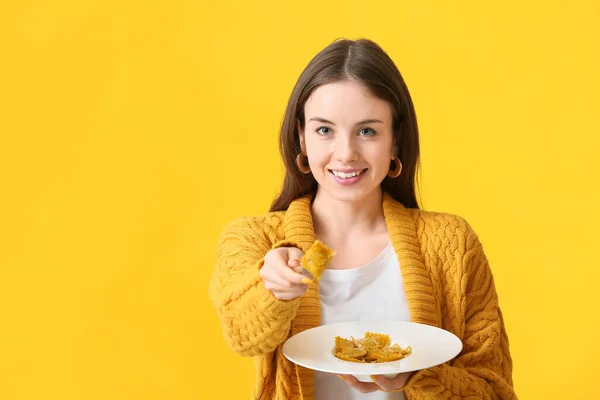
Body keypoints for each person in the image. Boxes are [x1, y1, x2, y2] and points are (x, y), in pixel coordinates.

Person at [209, 38, 516, 400]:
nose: (346, 153)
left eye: (367, 131)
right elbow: (241, 334)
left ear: (395, 142)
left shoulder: (451, 242)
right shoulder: (254, 239)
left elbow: (495, 392)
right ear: (301, 139)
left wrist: (420, 376)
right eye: (325, 130)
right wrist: (271, 289)